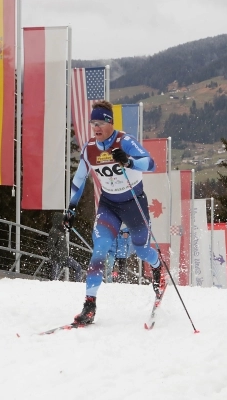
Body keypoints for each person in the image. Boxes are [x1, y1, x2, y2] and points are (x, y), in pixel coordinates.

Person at [63, 100, 166, 325]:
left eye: (100, 123)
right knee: (99, 250)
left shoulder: (125, 141)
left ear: (110, 123)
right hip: (109, 205)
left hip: (133, 203)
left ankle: (158, 267)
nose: (96, 128)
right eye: (93, 124)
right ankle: (89, 305)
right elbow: (79, 179)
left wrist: (129, 161)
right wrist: (71, 207)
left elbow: (151, 164)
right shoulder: (90, 148)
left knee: (140, 250)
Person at [48, 212, 82, 282]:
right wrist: (58, 254)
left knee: (78, 267)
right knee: (54, 278)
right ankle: (52, 288)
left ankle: (78, 284)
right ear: (59, 221)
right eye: (63, 221)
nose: (64, 222)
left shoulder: (61, 232)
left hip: (64, 257)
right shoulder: (54, 232)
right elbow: (50, 247)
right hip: (57, 258)